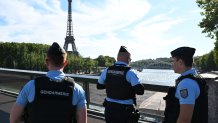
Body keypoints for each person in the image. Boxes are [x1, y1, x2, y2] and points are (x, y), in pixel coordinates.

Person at [10, 42, 87, 123]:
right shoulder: (77, 89)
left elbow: (13, 119)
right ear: (65, 63)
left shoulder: (31, 86)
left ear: (46, 62)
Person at [97, 46, 145, 123]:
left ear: (117, 58)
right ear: (128, 58)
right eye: (130, 59)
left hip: (109, 109)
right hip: (125, 111)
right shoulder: (130, 72)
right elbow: (140, 91)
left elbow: (99, 86)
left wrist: (112, 84)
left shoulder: (107, 70)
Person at [163, 46, 208, 123]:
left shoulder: (186, 84)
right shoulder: (196, 77)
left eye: (173, 61)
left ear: (180, 62)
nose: (172, 64)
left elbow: (185, 119)